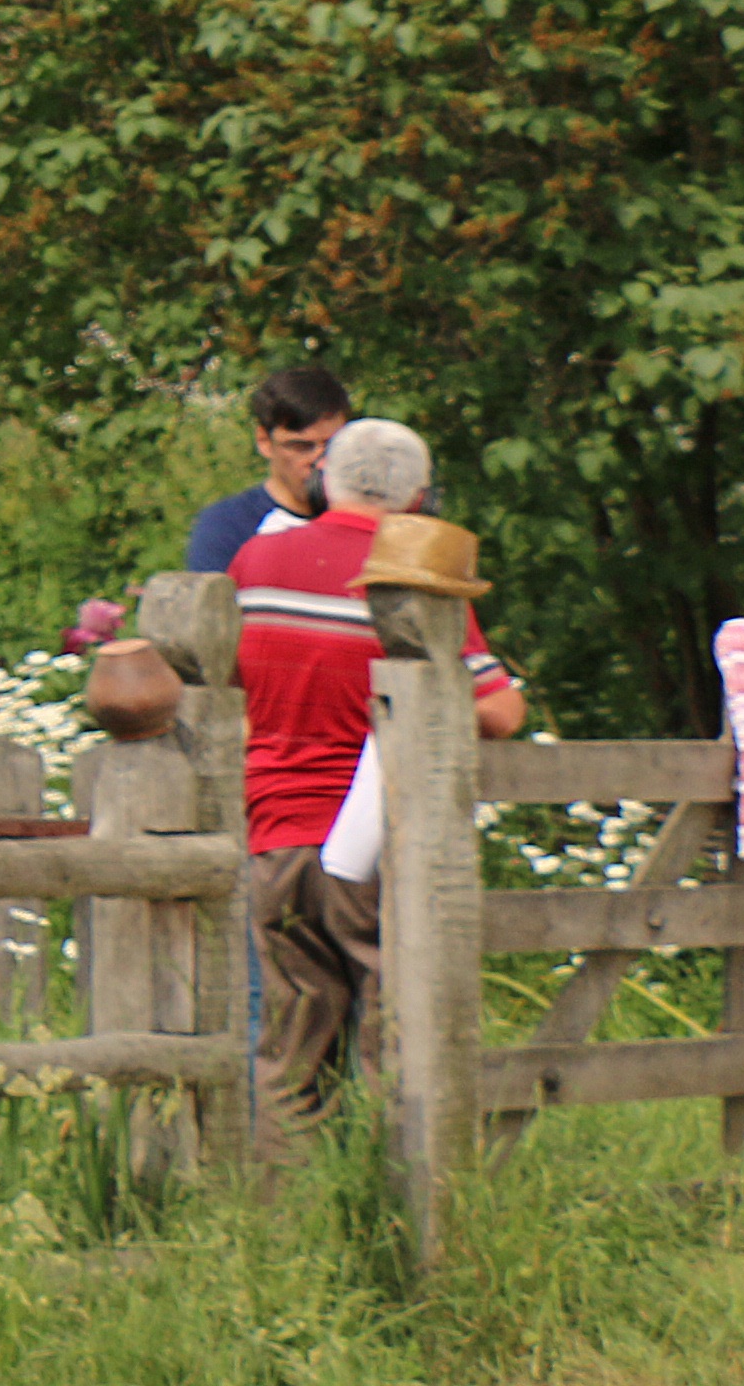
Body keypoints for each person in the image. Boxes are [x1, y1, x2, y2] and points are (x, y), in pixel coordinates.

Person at [233, 415, 525, 1162]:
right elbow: (500, 711)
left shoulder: (257, 562)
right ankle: (394, 1205)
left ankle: (285, 1224)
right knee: (395, 1033)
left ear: (325, 475)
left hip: (277, 831)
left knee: (293, 1044)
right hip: (379, 844)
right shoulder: (413, 578)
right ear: (420, 497)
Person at [189, 358, 351, 574]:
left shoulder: (366, 520)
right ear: (264, 442)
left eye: (333, 445)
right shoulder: (227, 526)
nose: (320, 462)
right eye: (301, 446)